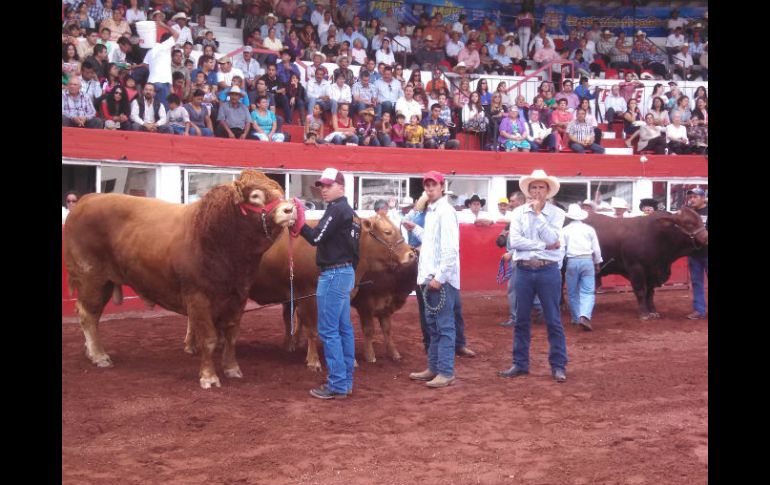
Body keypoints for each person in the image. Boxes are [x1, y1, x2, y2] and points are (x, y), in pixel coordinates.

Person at [498, 169, 568, 383]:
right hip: (525, 269)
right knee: (521, 319)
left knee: (553, 319)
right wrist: (543, 245)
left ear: (548, 191)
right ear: (528, 191)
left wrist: (538, 216)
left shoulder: (557, 213)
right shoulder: (518, 213)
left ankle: (558, 365)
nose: (537, 191)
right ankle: (520, 363)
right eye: (534, 187)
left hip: (547, 269)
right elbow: (516, 242)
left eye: (541, 187)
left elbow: (554, 239)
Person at [298, 168, 359, 399]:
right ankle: (345, 382)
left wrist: (298, 222)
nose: (323, 190)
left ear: (340, 187)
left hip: (332, 274)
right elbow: (356, 253)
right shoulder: (350, 213)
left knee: (329, 330)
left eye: (328, 186)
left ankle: (337, 385)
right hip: (344, 273)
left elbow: (315, 238)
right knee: (343, 329)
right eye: (322, 186)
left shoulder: (336, 210)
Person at [403, 171, 462, 388]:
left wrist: (440, 276)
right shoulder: (434, 211)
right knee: (435, 326)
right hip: (431, 278)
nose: (429, 189)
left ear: (441, 186)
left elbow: (450, 248)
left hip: (438, 279)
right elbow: (431, 241)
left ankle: (445, 371)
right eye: (426, 185)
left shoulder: (445, 212)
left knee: (443, 326)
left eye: (433, 185)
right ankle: (435, 367)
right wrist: (416, 229)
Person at [562, 204, 603, 331]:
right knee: (587, 291)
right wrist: (597, 263)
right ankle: (584, 315)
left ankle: (576, 317)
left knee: (573, 292)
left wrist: (559, 265)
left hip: (572, 261)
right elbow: (596, 249)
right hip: (587, 261)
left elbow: (562, 249)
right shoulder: (589, 229)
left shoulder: (564, 230)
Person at [685, 188, 708, 320]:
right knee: (696, 283)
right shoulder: (689, 213)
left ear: (703, 198)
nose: (692, 199)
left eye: (695, 197)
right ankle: (699, 310)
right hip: (694, 253)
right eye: (690, 197)